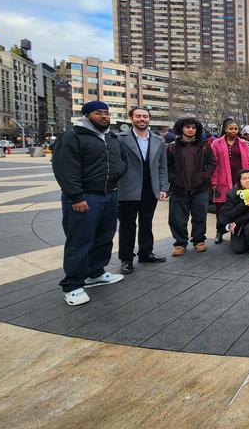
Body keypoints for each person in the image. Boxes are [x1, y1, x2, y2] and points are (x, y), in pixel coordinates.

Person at [52, 101, 128, 306]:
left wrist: (118, 172)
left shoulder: (111, 137)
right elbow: (65, 169)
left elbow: (121, 161)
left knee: (104, 237)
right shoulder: (72, 136)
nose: (104, 116)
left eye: (106, 113)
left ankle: (95, 273)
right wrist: (75, 196)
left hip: (110, 194)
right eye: (98, 113)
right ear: (87, 115)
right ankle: (73, 285)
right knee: (80, 241)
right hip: (85, 198)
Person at [117, 106, 169, 275]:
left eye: (145, 116)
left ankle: (146, 253)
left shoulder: (158, 140)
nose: (142, 119)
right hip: (128, 189)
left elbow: (162, 166)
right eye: (138, 116)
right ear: (131, 118)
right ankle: (126, 258)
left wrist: (163, 187)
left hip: (150, 189)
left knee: (147, 223)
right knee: (127, 226)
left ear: (149, 119)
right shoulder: (120, 138)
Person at [167, 117, 217, 256]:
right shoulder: (172, 147)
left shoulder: (204, 145)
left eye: (194, 127)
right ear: (181, 128)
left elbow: (212, 163)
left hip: (200, 188)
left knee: (200, 216)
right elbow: (167, 166)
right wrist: (173, 179)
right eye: (188, 127)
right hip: (179, 188)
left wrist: (204, 176)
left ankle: (199, 240)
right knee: (177, 218)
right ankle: (180, 243)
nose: (191, 130)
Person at [211, 119, 249, 244]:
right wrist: (213, 182)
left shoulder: (243, 143)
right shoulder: (216, 143)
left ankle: (236, 232)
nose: (233, 131)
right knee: (222, 208)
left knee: (241, 206)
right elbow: (213, 163)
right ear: (225, 129)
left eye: (235, 129)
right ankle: (220, 231)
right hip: (222, 180)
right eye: (231, 128)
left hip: (240, 179)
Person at [220, 169, 249, 257]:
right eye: (244, 178)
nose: (247, 181)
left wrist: (237, 221)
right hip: (238, 225)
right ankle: (247, 238)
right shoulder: (232, 193)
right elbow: (229, 214)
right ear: (240, 181)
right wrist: (244, 204)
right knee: (239, 249)